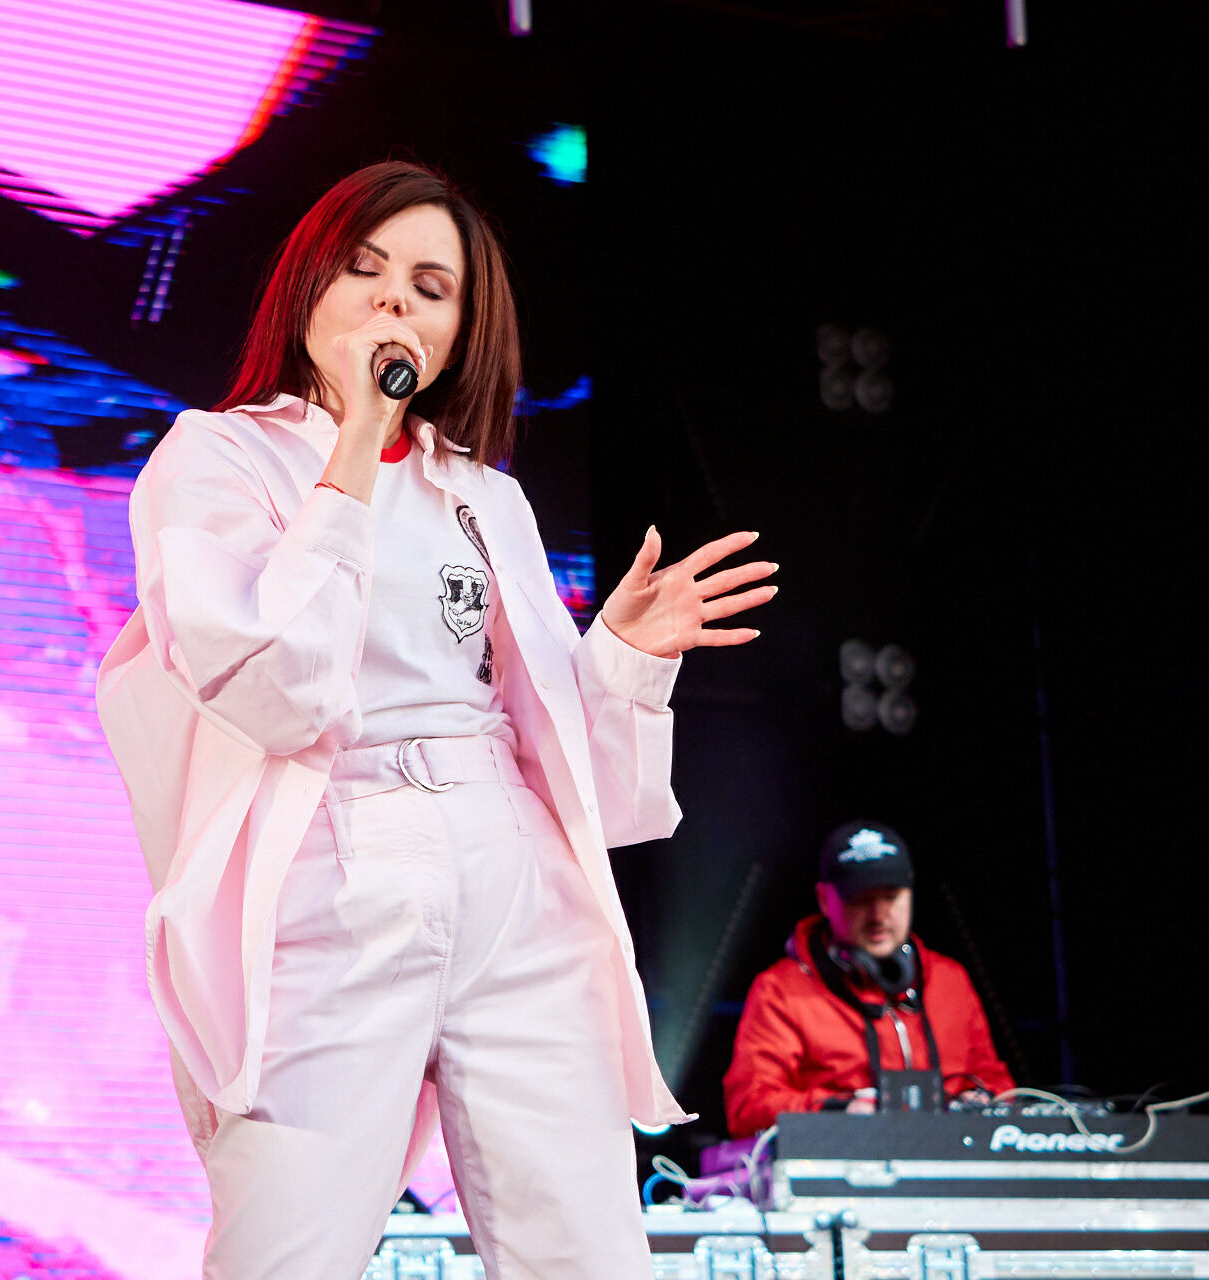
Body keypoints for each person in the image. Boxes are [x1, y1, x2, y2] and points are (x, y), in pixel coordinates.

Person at [94, 160, 777, 1278]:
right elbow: (276, 688)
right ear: (309, 286)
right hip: (335, 866)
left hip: (512, 873)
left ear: (460, 334)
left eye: (428, 287)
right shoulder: (218, 456)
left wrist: (624, 655)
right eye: (364, 269)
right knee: (283, 1249)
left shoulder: (485, 494)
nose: (392, 302)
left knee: (586, 1251)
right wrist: (356, 444)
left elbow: (573, 772)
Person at [722, 822, 1015, 1138]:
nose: (879, 915)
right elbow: (749, 1106)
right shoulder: (780, 990)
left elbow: (996, 1081)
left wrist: (982, 1100)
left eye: (891, 897)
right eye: (861, 900)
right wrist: (841, 1112)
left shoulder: (950, 980)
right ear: (824, 899)